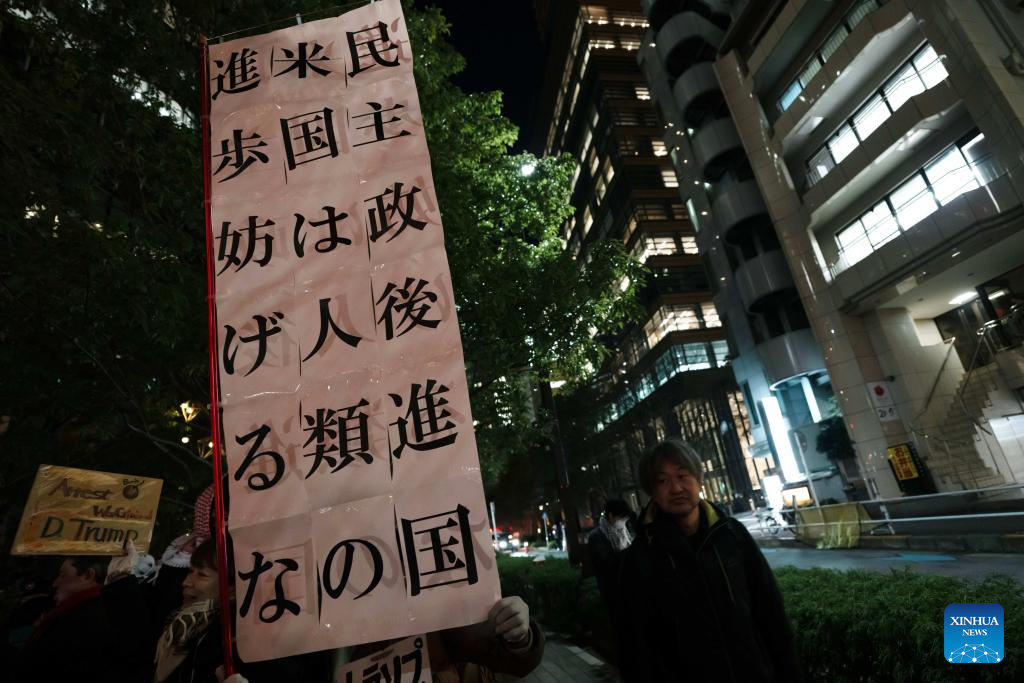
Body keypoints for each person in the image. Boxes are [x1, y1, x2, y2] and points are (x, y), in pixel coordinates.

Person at [616, 439, 801, 682]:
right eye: (663, 481)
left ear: (699, 480)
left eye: (683, 475)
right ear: (652, 491)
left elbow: (770, 612)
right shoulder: (640, 557)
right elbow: (635, 647)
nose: (676, 488)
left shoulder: (732, 535)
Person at [152, 539, 308, 683]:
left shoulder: (244, 644)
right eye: (190, 571)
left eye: (202, 575)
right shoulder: (180, 626)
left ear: (232, 589)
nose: (186, 583)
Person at [586, 498, 633, 617]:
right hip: (614, 593)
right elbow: (607, 563)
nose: (623, 521)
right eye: (621, 517)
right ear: (611, 516)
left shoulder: (624, 531)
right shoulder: (596, 537)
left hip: (631, 588)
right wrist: (631, 552)